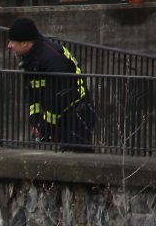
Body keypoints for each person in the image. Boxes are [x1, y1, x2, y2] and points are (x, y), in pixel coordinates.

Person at [6, 17, 95, 153]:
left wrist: (44, 127)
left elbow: (60, 97)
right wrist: (35, 122)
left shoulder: (52, 59)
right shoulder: (29, 59)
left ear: (25, 43)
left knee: (76, 158)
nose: (9, 45)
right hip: (59, 116)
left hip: (77, 114)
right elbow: (32, 94)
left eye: (13, 41)